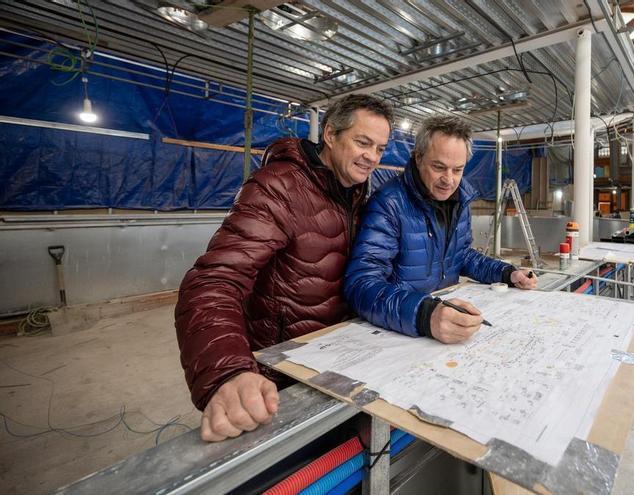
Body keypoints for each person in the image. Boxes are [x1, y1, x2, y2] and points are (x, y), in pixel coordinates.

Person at [175, 95, 393, 441]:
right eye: (363, 142)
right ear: (331, 135)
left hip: (337, 361)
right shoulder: (278, 187)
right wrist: (228, 372)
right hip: (280, 368)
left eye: (380, 148)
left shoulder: (359, 196)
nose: (372, 157)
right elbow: (214, 281)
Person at [344, 116, 538, 344]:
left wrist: (507, 273)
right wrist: (424, 314)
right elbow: (361, 284)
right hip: (401, 332)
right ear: (418, 158)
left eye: (458, 169)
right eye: (438, 167)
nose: (449, 179)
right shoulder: (389, 204)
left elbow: (462, 255)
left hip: (446, 324)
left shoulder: (461, 199)